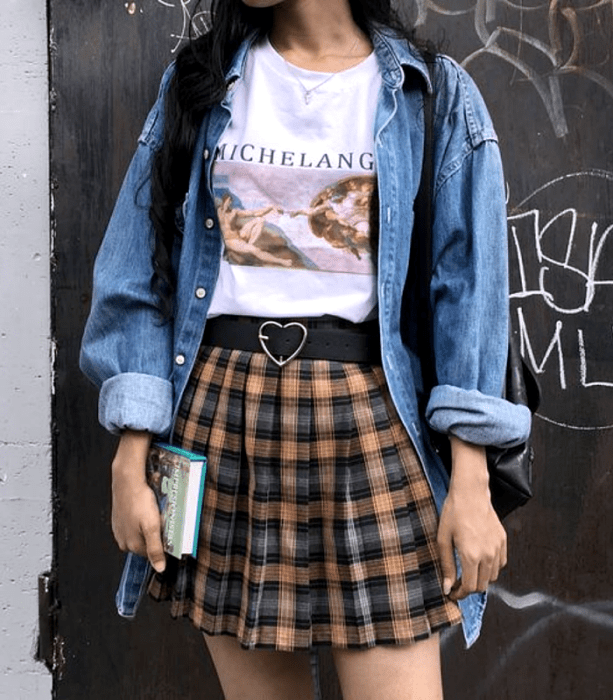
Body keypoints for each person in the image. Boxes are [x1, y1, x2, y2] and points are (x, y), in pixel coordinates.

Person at [80, 1, 531, 698]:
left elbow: (468, 289)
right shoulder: (202, 82)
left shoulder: (428, 92)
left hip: (367, 424)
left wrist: (470, 479)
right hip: (220, 427)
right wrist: (130, 454)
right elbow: (137, 273)